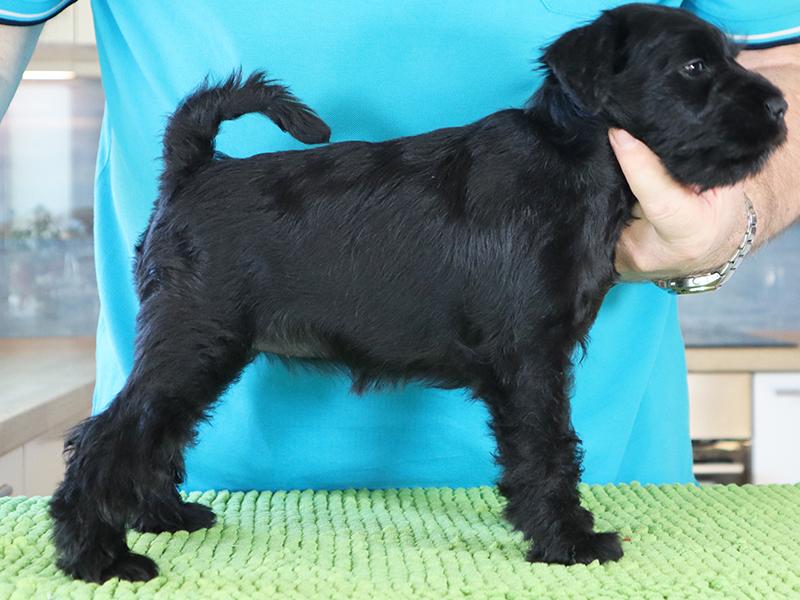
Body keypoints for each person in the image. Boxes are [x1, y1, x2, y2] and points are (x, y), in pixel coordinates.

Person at [1, 1, 798, 491]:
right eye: (700, 67)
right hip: (236, 467)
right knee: (176, 384)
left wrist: (734, 220)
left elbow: (786, 64)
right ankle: (106, 499)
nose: (748, 96)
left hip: (628, 469)